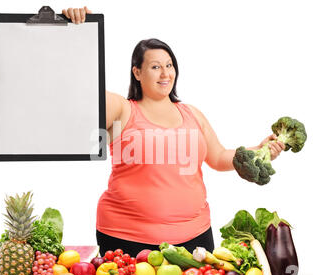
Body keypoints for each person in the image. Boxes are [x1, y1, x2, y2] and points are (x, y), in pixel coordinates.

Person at [62, 7, 285, 257]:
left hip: (196, 236)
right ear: (137, 72)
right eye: (156, 67)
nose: (166, 73)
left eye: (169, 65)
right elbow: (81, 95)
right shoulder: (122, 109)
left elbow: (219, 156)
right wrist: (75, 33)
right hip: (126, 237)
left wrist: (259, 149)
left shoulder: (192, 114)